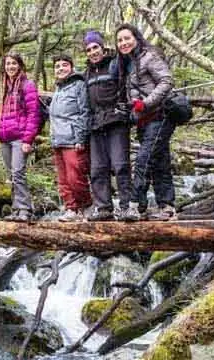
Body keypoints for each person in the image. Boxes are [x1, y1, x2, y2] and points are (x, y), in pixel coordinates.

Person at [115, 23, 176, 221]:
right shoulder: (127, 63)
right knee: (160, 161)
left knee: (144, 160)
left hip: (160, 115)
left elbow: (166, 81)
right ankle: (166, 207)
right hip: (144, 121)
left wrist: (146, 103)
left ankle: (134, 206)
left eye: (127, 38)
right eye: (120, 40)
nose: (123, 43)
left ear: (136, 38)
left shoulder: (149, 56)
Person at [83, 31, 132, 221]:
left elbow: (130, 74)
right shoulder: (87, 72)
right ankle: (104, 208)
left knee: (120, 165)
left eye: (95, 47)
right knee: (97, 169)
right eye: (89, 49)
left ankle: (127, 206)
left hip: (116, 121)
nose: (93, 52)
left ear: (102, 47)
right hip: (95, 125)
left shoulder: (116, 64)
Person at [0, 52, 40, 223]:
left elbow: (33, 114)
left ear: (20, 65)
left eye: (13, 63)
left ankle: (25, 209)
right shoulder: (5, 87)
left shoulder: (27, 85)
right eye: (7, 64)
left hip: (20, 137)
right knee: (11, 174)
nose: (10, 67)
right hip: (5, 137)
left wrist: (28, 140)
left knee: (18, 172)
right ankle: (16, 208)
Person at [49, 54, 91, 222]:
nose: (60, 68)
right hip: (57, 139)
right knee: (63, 180)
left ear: (71, 67)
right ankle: (71, 209)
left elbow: (84, 112)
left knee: (75, 177)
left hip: (73, 139)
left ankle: (86, 206)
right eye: (57, 66)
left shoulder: (79, 85)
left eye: (64, 65)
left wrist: (80, 137)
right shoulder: (58, 89)